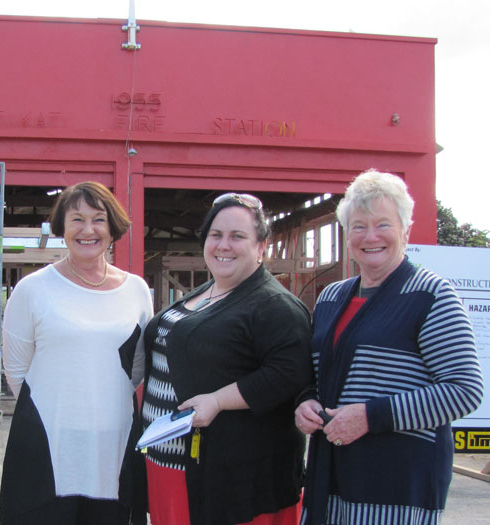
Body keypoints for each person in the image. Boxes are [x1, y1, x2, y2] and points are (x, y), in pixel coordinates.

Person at [295, 169, 484, 525]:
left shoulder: (431, 296)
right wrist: (305, 400)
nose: (370, 236)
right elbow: (315, 374)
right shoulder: (332, 298)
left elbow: (464, 390)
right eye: (359, 226)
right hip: (329, 482)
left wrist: (370, 416)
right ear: (347, 234)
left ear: (405, 231)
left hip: (395, 487)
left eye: (383, 224)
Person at [141, 192, 312, 525]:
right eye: (216, 235)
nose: (223, 245)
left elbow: (289, 374)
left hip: (231, 479)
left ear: (261, 246)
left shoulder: (275, 306)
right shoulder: (209, 290)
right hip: (171, 463)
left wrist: (218, 401)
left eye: (238, 236)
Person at [0, 181, 154, 525]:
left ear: (112, 228)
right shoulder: (33, 289)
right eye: (77, 220)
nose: (88, 230)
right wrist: (66, 405)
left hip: (113, 442)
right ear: (62, 228)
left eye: (98, 219)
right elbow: (16, 369)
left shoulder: (136, 290)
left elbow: (138, 366)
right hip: (48, 443)